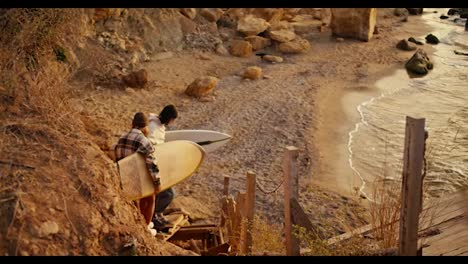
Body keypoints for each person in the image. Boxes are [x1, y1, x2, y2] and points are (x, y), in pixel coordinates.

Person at [115, 112, 160, 226]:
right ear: (145, 127)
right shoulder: (144, 140)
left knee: (138, 201)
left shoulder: (121, 138)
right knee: (151, 197)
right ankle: (145, 227)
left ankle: (138, 223)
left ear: (133, 124)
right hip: (136, 181)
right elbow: (152, 164)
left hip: (122, 180)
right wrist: (157, 183)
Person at [148, 105, 178, 227]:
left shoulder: (160, 126)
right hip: (152, 166)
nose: (173, 122)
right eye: (173, 119)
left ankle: (157, 214)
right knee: (168, 194)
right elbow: (151, 148)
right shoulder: (153, 127)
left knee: (164, 193)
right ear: (168, 117)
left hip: (158, 165)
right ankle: (154, 215)